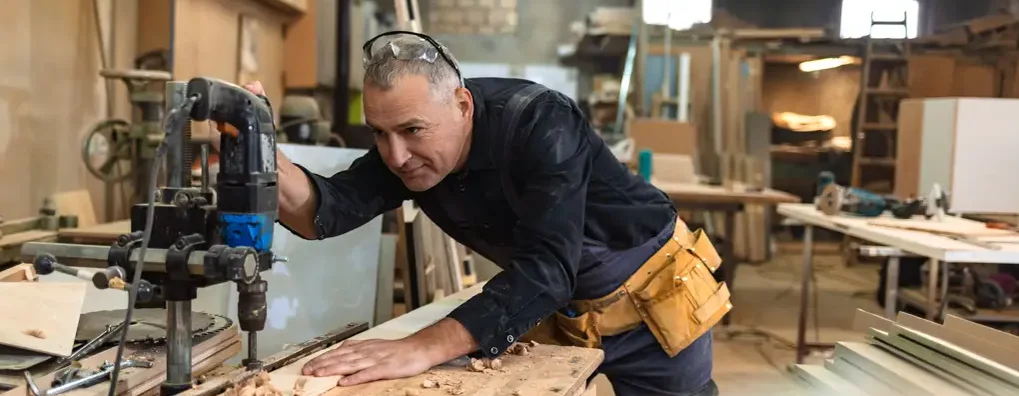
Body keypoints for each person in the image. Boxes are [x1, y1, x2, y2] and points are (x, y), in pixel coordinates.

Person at [227, 31, 729, 396]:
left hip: (652, 298)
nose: (396, 155)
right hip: (559, 306)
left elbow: (550, 267)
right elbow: (324, 212)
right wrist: (266, 161)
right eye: (379, 133)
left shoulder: (541, 122)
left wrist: (424, 345)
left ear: (464, 105)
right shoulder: (405, 153)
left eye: (412, 131)